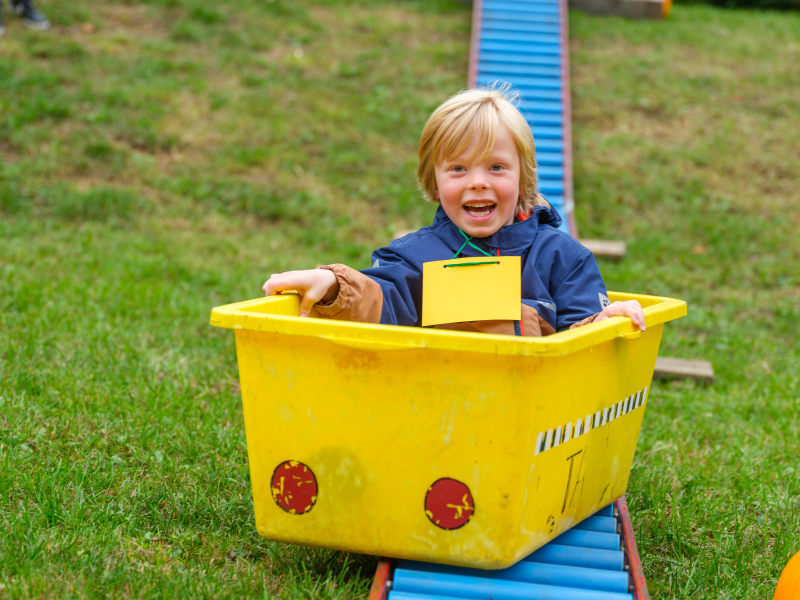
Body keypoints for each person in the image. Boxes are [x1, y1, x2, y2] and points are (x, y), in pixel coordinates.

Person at [263, 86, 644, 337]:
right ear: (435, 181)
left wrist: (602, 323)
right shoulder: (413, 257)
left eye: (496, 167)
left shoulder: (564, 259)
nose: (477, 182)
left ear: (523, 177)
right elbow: (383, 300)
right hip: (441, 413)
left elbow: (581, 343)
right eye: (459, 169)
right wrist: (332, 286)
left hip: (532, 415)